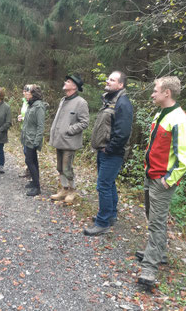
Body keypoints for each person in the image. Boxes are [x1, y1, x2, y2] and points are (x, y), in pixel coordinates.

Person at [137, 76, 186, 286]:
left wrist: (169, 181)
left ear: (166, 93)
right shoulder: (161, 113)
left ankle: (149, 269)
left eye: (155, 90)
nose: (152, 93)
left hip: (162, 181)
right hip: (150, 174)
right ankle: (158, 252)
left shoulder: (180, 119)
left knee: (157, 223)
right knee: (151, 217)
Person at [84, 71, 133, 236]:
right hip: (104, 151)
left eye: (112, 80)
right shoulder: (110, 100)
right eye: (108, 78)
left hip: (112, 153)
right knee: (109, 184)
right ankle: (110, 215)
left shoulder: (123, 103)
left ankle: (102, 222)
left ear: (120, 85)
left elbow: (123, 132)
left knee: (103, 185)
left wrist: (110, 149)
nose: (108, 81)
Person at [49, 74, 89, 203]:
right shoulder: (63, 100)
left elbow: (84, 122)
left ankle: (72, 191)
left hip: (69, 142)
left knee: (67, 168)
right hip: (59, 140)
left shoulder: (81, 102)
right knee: (60, 168)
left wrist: (69, 130)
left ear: (74, 87)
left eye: (68, 81)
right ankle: (64, 189)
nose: (65, 82)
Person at [21, 84, 46, 196]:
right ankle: (34, 182)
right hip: (27, 138)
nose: (26, 93)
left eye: (28, 92)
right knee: (32, 161)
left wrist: (37, 141)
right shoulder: (31, 105)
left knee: (30, 161)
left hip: (32, 139)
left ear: (33, 94)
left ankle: (37, 188)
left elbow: (40, 126)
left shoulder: (39, 106)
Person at [17, 85, 32, 178]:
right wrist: (20, 116)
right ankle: (28, 170)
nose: (24, 92)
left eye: (26, 91)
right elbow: (24, 113)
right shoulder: (24, 102)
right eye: (23, 90)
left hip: (30, 131)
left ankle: (31, 172)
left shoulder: (32, 103)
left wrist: (23, 118)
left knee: (29, 152)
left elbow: (32, 116)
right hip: (23, 129)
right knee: (25, 151)